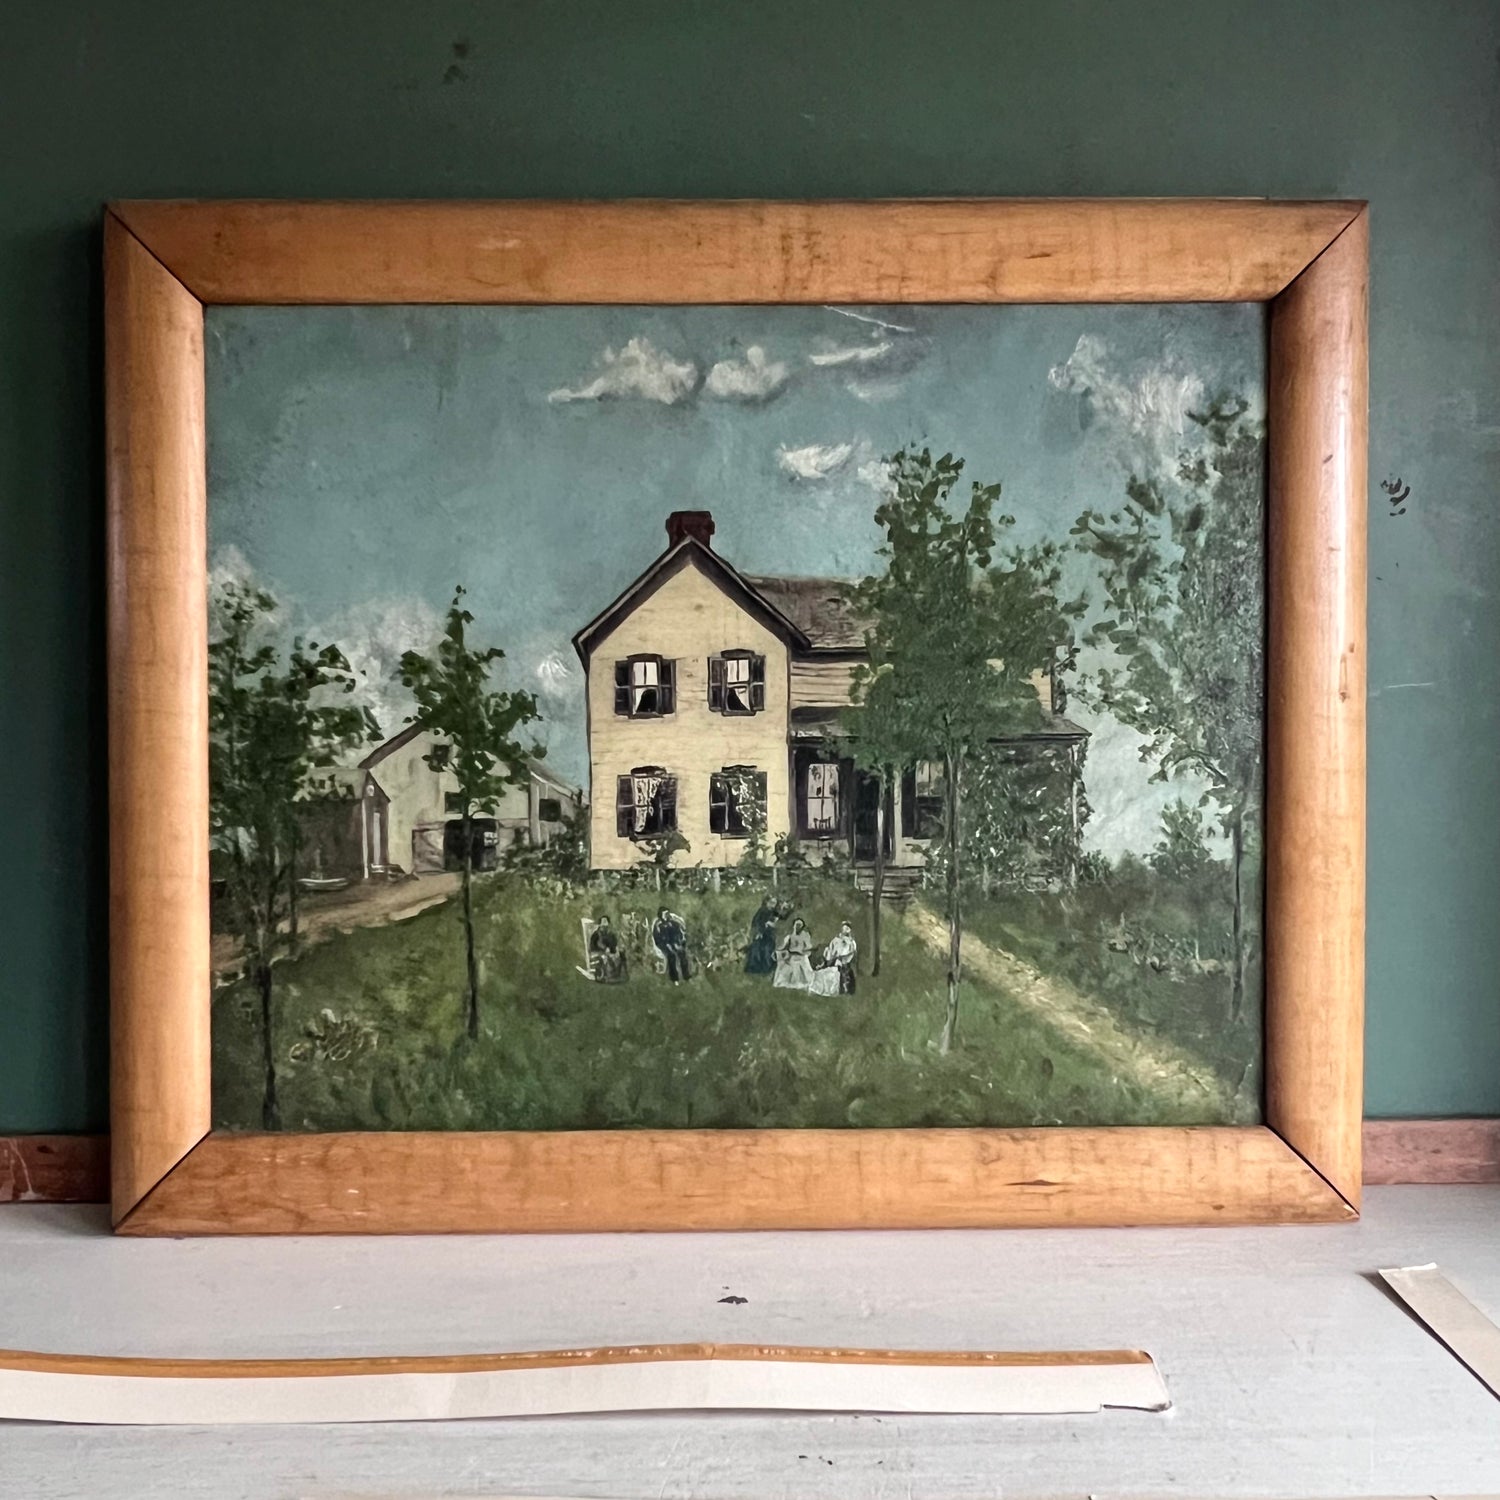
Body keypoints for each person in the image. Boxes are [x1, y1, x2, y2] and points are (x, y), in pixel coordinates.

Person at [773, 917, 815, 990]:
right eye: (796, 924)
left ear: (802, 927)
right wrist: (777, 951)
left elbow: (808, 947)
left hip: (801, 956)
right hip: (791, 956)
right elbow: (783, 946)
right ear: (794, 926)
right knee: (786, 969)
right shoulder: (790, 936)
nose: (798, 927)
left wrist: (804, 951)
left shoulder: (805, 936)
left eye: (800, 925)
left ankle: (802, 983)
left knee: (804, 971)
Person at [652, 907, 691, 984]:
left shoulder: (673, 923)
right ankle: (674, 978)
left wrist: (678, 943)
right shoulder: (658, 924)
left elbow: (679, 933)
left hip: (674, 943)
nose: (667, 915)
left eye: (668, 913)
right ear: (661, 914)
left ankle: (686, 976)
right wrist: (667, 945)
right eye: (665, 913)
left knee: (682, 953)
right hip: (663, 944)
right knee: (671, 955)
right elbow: (657, 938)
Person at [744, 893, 779, 975]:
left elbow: (777, 922)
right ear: (766, 902)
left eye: (774, 903)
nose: (773, 905)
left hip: (770, 935)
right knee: (757, 949)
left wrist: (772, 924)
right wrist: (760, 930)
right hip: (761, 934)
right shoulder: (762, 911)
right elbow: (756, 922)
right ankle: (755, 969)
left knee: (768, 949)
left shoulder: (774, 912)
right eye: (771, 902)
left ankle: (767, 969)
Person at [588, 915, 627, 983]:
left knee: (621, 954)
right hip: (598, 953)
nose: (604, 926)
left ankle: (620, 974)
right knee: (605, 958)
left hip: (610, 953)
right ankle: (606, 976)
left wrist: (616, 950)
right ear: (600, 924)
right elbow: (593, 946)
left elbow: (614, 944)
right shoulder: (596, 935)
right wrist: (604, 949)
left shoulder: (611, 935)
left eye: (606, 923)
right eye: (603, 924)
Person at [824, 920, 858, 994]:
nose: (845, 930)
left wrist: (844, 959)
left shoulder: (851, 942)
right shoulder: (836, 940)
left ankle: (846, 988)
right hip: (835, 961)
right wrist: (832, 958)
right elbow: (831, 950)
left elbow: (852, 952)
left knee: (846, 974)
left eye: (847, 929)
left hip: (846, 961)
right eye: (844, 928)